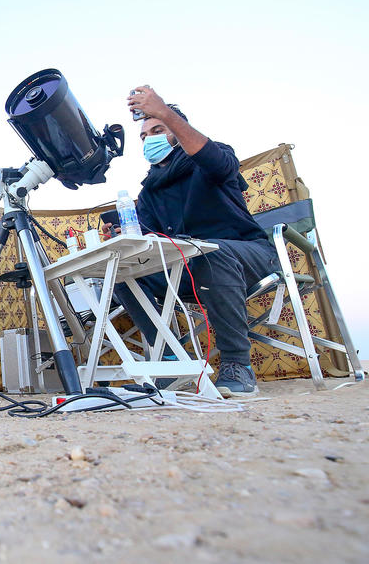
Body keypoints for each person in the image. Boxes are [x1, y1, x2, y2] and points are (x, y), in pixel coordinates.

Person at [112, 85, 277, 396]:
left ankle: (237, 365)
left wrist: (165, 112)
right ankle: (171, 363)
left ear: (176, 129)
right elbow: (149, 241)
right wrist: (126, 239)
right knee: (121, 276)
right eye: (144, 136)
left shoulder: (211, 159)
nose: (149, 139)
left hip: (248, 255)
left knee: (209, 253)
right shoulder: (149, 192)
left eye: (158, 129)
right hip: (188, 267)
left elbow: (214, 161)